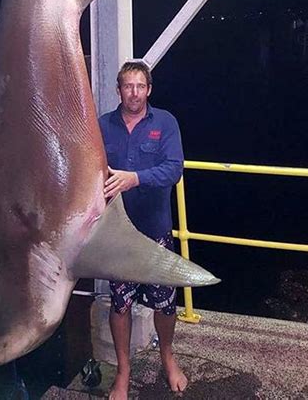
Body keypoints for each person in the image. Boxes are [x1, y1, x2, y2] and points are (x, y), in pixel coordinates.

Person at [98, 60, 188, 399]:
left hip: (156, 231)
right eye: (127, 86)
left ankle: (167, 356)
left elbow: (173, 169)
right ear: (118, 90)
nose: (134, 93)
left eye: (140, 86)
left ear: (148, 89)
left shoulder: (165, 123)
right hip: (117, 235)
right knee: (119, 304)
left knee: (164, 304)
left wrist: (135, 178)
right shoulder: (102, 125)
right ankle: (123, 370)